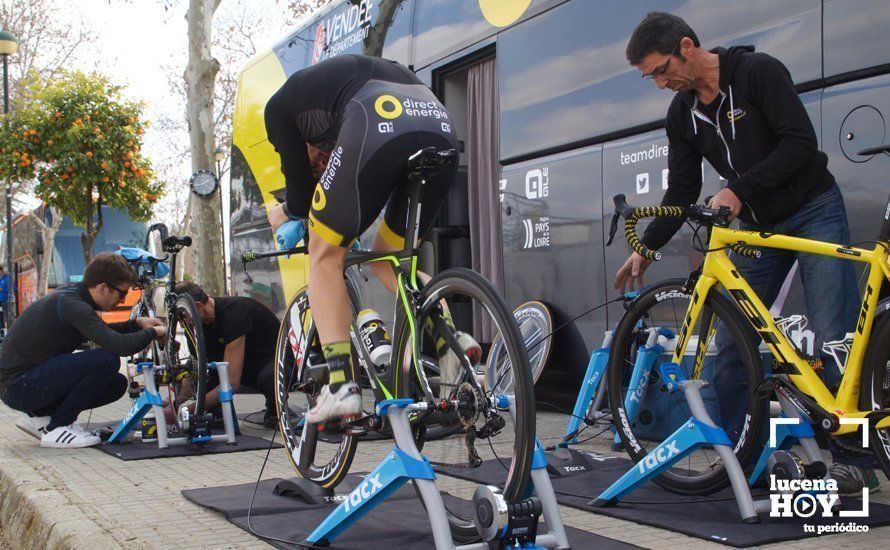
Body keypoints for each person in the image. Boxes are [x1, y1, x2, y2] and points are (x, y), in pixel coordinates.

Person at [617, 12, 873, 494]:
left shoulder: (759, 73)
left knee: (833, 338)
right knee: (734, 342)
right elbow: (682, 189)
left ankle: (852, 464)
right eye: (649, 76)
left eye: (658, 70)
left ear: (687, 47)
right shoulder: (681, 114)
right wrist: (646, 248)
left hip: (814, 208)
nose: (658, 84)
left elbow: (801, 144)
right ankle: (736, 456)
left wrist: (738, 190)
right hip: (758, 227)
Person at [264, 54, 470, 425]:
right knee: (389, 258)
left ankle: (341, 385)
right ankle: (450, 342)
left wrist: (284, 212)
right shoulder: (332, 90)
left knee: (323, 257)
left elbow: (299, 193)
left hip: (375, 116)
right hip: (438, 122)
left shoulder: (278, 109)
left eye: (318, 162)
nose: (321, 165)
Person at [0, 252, 165, 448]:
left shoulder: (73, 298)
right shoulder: (73, 305)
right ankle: (56, 428)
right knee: (107, 359)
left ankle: (39, 417)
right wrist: (154, 333)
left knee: (116, 383)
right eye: (122, 293)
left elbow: (103, 333)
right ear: (103, 288)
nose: (122, 300)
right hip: (18, 387)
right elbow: (119, 346)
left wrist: (137, 323)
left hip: (24, 384)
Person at [168, 282, 281, 428]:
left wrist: (187, 411)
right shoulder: (196, 327)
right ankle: (218, 413)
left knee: (268, 377)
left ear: (197, 306)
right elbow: (195, 373)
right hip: (245, 366)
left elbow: (231, 384)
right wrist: (172, 403)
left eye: (183, 317)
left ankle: (275, 408)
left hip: (274, 364)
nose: (182, 325)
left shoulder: (234, 313)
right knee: (208, 374)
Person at [0, 265, 9, 332]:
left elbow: (14, 289)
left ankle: (6, 331)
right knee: (1, 318)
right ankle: (2, 331)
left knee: (5, 318)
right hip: (0, 302)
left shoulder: (7, 278)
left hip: (6, 302)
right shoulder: (1, 279)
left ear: (1, 271)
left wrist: (2, 289)